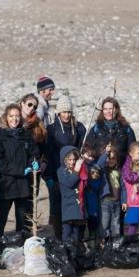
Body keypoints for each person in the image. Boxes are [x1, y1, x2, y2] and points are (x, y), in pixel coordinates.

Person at [0, 104, 40, 249]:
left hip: (23, 184)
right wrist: (20, 170)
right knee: (2, 217)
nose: (14, 119)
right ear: (6, 117)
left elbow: (34, 153)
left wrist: (33, 163)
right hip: (6, 184)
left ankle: (21, 245)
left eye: (17, 115)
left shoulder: (26, 134)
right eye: (11, 116)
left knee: (22, 217)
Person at [44, 94, 86, 239]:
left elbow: (82, 148)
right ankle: (59, 238)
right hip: (57, 174)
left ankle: (76, 239)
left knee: (76, 203)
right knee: (57, 206)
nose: (66, 115)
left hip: (75, 172)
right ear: (58, 112)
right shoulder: (51, 130)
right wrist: (48, 177)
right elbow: (47, 154)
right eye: (64, 112)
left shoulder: (79, 128)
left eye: (69, 112)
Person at [85, 97, 135, 167]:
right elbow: (88, 147)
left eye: (111, 109)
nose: (108, 112)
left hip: (120, 168)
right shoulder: (96, 128)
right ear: (102, 111)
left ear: (116, 110)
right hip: (100, 168)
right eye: (105, 109)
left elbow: (132, 150)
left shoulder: (126, 128)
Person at [58, 146, 86, 242]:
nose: (72, 162)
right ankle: (66, 251)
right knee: (67, 231)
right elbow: (70, 183)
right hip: (68, 206)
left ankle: (75, 252)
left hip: (78, 207)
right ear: (64, 160)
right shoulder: (61, 171)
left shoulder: (77, 170)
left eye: (74, 159)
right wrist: (77, 170)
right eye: (69, 160)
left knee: (76, 233)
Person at [100, 146, 122, 240]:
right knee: (105, 223)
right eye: (108, 158)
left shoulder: (119, 171)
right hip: (106, 201)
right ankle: (104, 243)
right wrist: (106, 154)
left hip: (117, 201)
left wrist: (124, 201)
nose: (110, 160)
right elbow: (99, 164)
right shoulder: (103, 170)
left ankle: (115, 244)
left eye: (113, 158)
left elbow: (123, 187)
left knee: (116, 224)